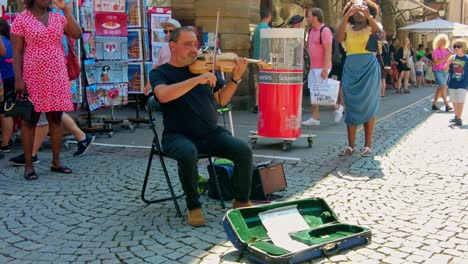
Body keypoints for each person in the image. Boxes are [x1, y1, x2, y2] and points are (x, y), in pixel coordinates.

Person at [149, 27, 252, 227]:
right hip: (177, 135)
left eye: (194, 44)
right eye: (187, 44)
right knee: (188, 153)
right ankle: (193, 207)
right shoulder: (161, 73)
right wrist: (196, 80)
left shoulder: (204, 67)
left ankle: (241, 201)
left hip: (209, 133)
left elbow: (220, 99)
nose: (194, 49)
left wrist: (235, 79)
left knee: (243, 150)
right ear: (173, 46)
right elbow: (162, 95)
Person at [11, 0, 82, 180]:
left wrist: (65, 9)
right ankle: (28, 165)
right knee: (30, 120)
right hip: (33, 74)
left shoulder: (57, 18)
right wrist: (19, 79)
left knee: (56, 118)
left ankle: (56, 162)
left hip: (57, 73)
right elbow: (17, 52)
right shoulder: (21, 19)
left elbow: (77, 33)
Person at [335, 0, 381, 157]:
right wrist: (347, 15)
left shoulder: (371, 25)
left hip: (369, 69)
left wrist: (369, 16)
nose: (360, 12)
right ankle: (351, 145)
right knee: (351, 105)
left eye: (363, 9)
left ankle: (368, 146)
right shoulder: (347, 27)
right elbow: (338, 38)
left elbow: (378, 32)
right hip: (351, 68)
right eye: (356, 10)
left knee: (369, 105)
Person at [302, 7, 343, 126]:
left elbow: (328, 51)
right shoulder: (310, 31)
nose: (308, 18)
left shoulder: (324, 31)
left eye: (309, 16)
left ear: (315, 17)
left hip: (321, 67)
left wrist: (325, 69)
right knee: (314, 92)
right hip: (312, 67)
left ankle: (337, 107)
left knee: (322, 93)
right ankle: (315, 118)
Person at [9, 113, 95, 165]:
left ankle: (32, 155)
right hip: (48, 85)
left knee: (46, 114)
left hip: (46, 85)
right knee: (53, 111)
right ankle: (82, 137)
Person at [144, 18, 181, 96]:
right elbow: (157, 67)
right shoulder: (163, 49)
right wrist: (149, 84)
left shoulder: (184, 48)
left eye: (171, 31)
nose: (167, 34)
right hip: (166, 86)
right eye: (165, 31)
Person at [252, 8, 271, 113]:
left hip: (256, 59)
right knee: (265, 82)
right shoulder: (267, 29)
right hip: (265, 60)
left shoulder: (257, 28)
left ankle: (257, 104)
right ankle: (264, 103)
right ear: (268, 16)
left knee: (257, 83)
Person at [445, 39, 468, 126]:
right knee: (454, 100)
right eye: (455, 46)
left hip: (463, 83)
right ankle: (456, 116)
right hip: (452, 82)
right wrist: (448, 63)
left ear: (463, 47)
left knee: (460, 101)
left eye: (458, 46)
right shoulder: (452, 57)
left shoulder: (467, 58)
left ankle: (459, 118)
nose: (456, 48)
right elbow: (446, 70)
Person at [431, 33, 452, 112]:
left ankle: (434, 104)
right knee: (443, 86)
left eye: (444, 40)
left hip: (445, 71)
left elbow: (450, 60)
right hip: (437, 71)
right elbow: (436, 63)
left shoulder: (447, 50)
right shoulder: (435, 51)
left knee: (440, 88)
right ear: (438, 42)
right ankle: (447, 104)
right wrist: (446, 57)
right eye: (441, 40)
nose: (443, 42)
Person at [0, 18, 12, 159]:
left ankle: (5, 143)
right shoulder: (11, 41)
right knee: (6, 111)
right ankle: (6, 143)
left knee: (4, 111)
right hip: (12, 77)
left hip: (4, 78)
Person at [378, 28, 392, 98]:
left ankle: (380, 94)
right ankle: (383, 93)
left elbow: (380, 53)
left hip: (381, 62)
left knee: (381, 78)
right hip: (386, 63)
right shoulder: (386, 43)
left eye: (380, 33)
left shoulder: (380, 43)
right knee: (384, 78)